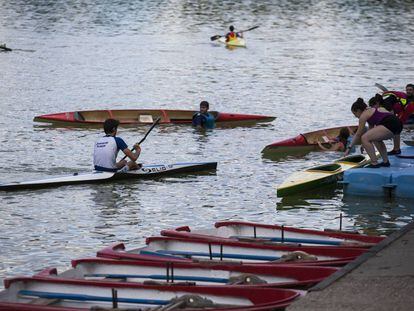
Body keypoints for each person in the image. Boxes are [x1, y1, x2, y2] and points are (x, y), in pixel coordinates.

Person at [345, 98, 403, 168]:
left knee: (364, 137)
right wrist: (364, 144)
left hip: (390, 123)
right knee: (375, 139)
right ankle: (385, 162)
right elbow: (371, 132)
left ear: (358, 110)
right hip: (398, 123)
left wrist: (349, 148)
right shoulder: (371, 110)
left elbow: (358, 134)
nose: (355, 116)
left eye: (355, 114)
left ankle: (374, 163)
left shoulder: (363, 115)